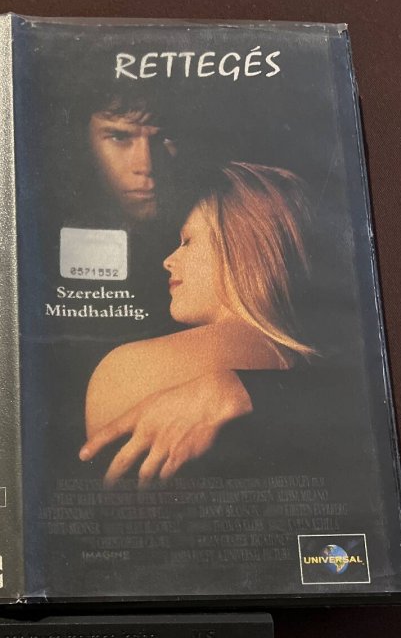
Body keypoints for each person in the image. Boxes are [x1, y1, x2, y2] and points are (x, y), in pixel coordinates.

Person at [84, 163, 314, 484]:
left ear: (241, 246)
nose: (168, 260)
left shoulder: (128, 370)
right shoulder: (315, 373)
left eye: (187, 241)